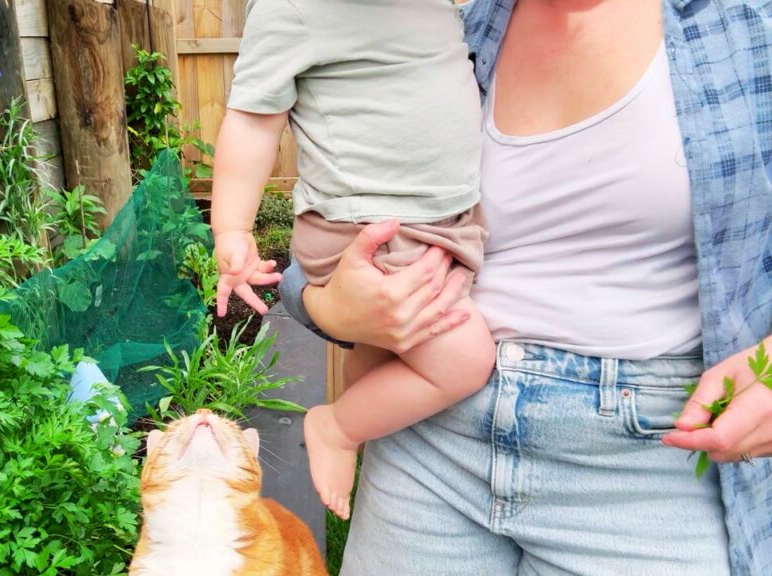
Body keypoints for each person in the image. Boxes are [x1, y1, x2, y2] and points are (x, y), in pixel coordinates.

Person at [267, 0, 772, 574]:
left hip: (649, 462)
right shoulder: (450, 23)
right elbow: (347, 211)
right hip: (427, 433)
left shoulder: (748, 26)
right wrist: (326, 306)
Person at [210, 0, 496, 521]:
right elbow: (252, 122)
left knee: (388, 350)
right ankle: (337, 428)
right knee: (464, 360)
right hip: (363, 229)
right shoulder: (292, 10)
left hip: (436, 218)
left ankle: (366, 438)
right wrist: (232, 229)